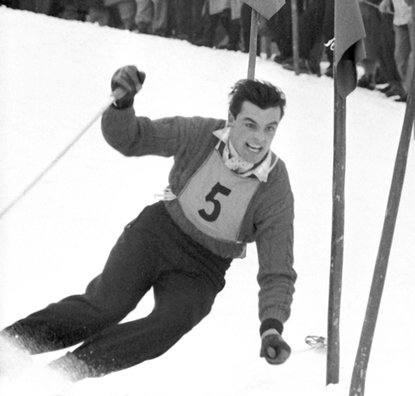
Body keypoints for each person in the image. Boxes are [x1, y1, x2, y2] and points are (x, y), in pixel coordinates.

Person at [0, 66, 297, 381]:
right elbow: (133, 138)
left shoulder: (274, 185)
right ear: (232, 119)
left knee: (172, 321)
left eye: (269, 128)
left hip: (203, 268)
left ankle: (64, 373)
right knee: (107, 305)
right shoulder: (200, 134)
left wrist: (272, 327)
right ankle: (11, 345)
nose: (258, 139)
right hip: (157, 233)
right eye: (250, 124)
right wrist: (122, 105)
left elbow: (277, 268)